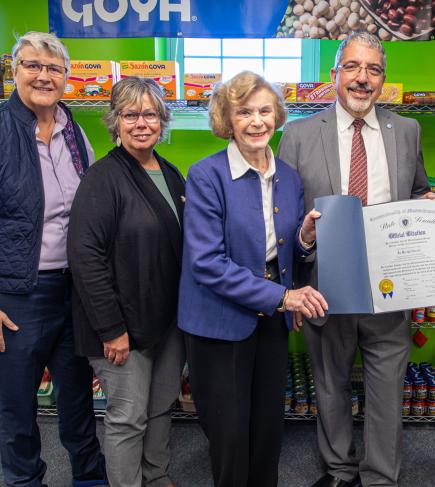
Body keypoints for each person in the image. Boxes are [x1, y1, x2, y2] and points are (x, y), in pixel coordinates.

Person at [278, 30, 432, 487]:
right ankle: (340, 470)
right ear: (334, 75)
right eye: (353, 67)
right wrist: (299, 263)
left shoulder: (406, 130)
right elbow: (284, 213)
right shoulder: (300, 134)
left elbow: (420, 191)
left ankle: (382, 476)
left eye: (373, 69)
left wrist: (430, 218)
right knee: (330, 383)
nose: (362, 79)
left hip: (392, 285)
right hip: (326, 285)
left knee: (388, 387)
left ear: (384, 79)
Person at [178, 70, 328, 487]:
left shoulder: (288, 176)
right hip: (219, 321)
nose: (257, 121)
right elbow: (207, 263)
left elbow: (287, 254)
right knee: (228, 435)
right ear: (228, 119)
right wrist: (285, 297)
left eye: (265, 111)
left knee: (266, 429)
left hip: (270, 319)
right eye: (244, 112)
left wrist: (304, 237)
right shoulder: (206, 175)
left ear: (277, 116)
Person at [0, 31, 107, 487]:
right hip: (18, 294)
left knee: (77, 395)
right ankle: (25, 481)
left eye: (54, 68)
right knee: (17, 403)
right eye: (32, 66)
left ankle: (88, 477)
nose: (43, 76)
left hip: (73, 288)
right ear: (14, 72)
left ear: (66, 77)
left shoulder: (75, 131)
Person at [67, 77, 186, 487]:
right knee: (128, 417)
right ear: (115, 122)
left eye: (149, 114)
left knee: (158, 409)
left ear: (162, 120)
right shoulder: (103, 177)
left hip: (167, 322)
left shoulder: (170, 174)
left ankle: (156, 477)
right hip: (121, 328)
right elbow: (85, 257)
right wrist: (111, 328)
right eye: (130, 114)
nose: (141, 123)